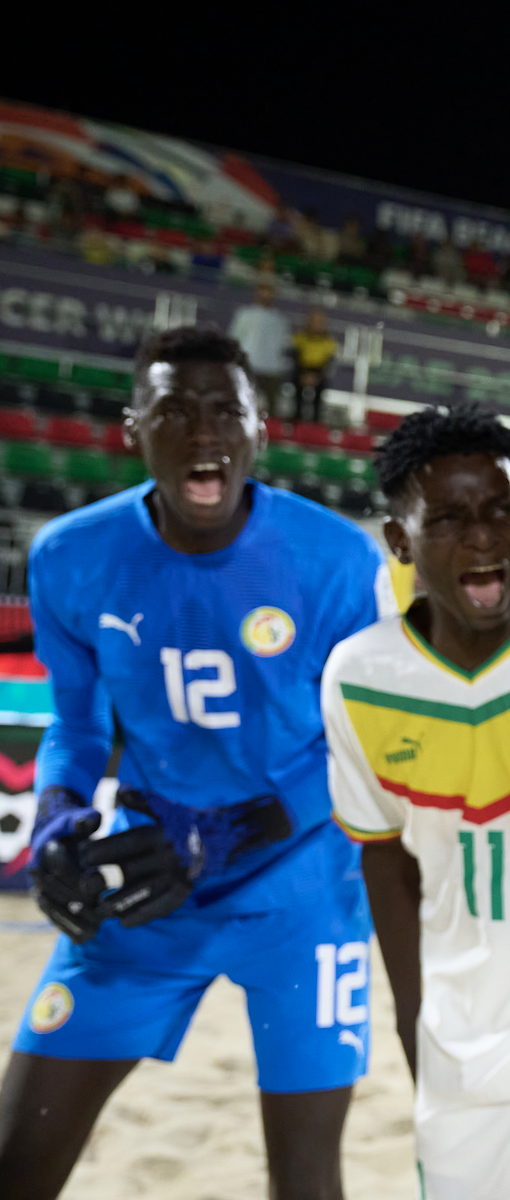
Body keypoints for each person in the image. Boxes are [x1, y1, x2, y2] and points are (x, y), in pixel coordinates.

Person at [1, 324, 391, 1200]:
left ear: (261, 430)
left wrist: (229, 834)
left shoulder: (336, 560)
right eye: (175, 410)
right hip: (147, 877)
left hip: (303, 889)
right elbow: (75, 723)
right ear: (133, 430)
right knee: (16, 1163)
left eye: (226, 410)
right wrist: (62, 818)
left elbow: (360, 746)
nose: (204, 430)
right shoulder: (70, 554)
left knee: (307, 1179)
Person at [325, 405, 510, 1200]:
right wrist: (413, 1028)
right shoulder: (359, 676)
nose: (483, 537)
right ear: (399, 541)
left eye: (500, 511)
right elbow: (384, 865)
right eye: (448, 519)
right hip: (457, 1042)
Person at [228, 280, 290, 416]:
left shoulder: (280, 319)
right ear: (257, 294)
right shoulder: (244, 314)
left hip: (273, 368)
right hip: (250, 365)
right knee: (245, 401)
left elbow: (284, 344)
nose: (265, 296)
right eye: (262, 292)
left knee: (272, 406)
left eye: (269, 293)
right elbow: (235, 338)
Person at [291, 308, 338, 424]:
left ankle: (316, 423)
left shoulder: (329, 341)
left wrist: (316, 376)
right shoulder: (299, 337)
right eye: (315, 320)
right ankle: (297, 420)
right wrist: (304, 374)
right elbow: (295, 357)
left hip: (318, 373)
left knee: (319, 393)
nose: (317, 324)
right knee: (296, 386)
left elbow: (329, 362)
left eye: (320, 321)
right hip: (302, 371)